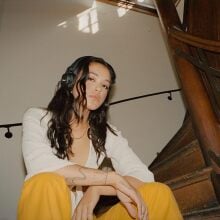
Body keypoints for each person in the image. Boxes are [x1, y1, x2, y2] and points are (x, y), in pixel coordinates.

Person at [17, 56, 183, 220]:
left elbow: (143, 176)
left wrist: (97, 188)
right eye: (91, 79)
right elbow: (41, 166)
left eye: (105, 85)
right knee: (46, 182)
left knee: (158, 192)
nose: (99, 89)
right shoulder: (38, 117)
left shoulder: (107, 134)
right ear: (70, 81)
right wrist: (109, 178)